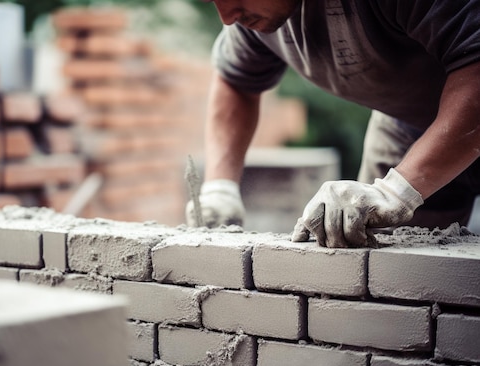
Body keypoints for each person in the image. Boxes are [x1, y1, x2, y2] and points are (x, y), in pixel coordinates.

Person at [186, 0, 480, 248]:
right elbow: (237, 81)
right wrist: (219, 188)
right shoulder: (250, 18)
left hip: (468, 108)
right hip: (404, 126)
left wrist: (397, 193)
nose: (227, 17)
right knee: (396, 276)